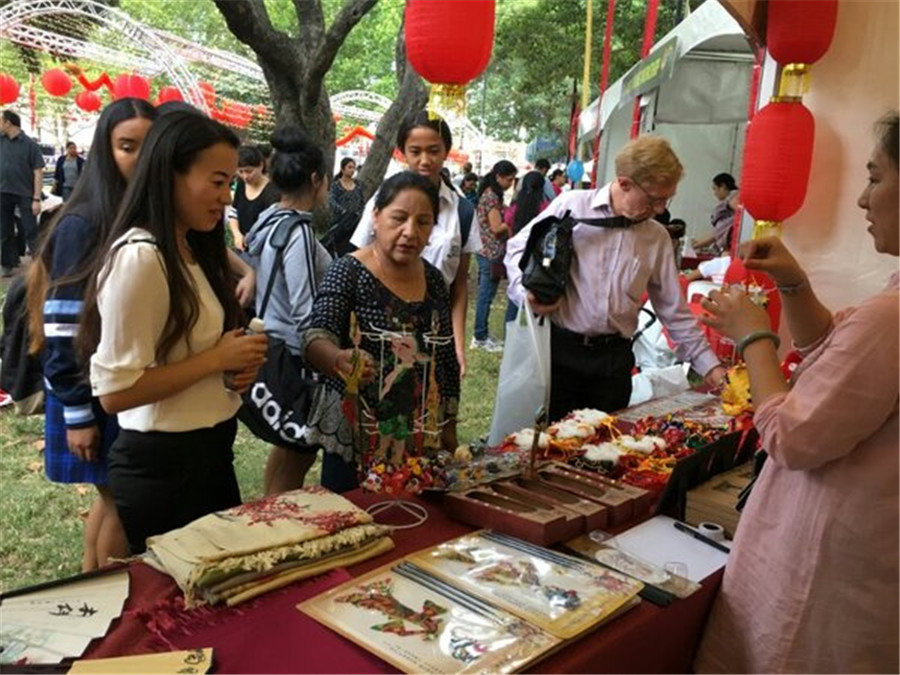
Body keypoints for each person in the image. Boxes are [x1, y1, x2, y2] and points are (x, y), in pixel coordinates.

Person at [695, 111, 899, 674]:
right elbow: (836, 357)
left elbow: (791, 435)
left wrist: (754, 334)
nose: (862, 199)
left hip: (827, 565)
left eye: (876, 178)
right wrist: (793, 285)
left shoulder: (890, 319)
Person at [80, 111, 268, 554]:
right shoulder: (141, 257)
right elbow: (115, 392)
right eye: (217, 182)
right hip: (163, 468)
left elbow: (189, 358)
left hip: (210, 454)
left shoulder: (193, 247)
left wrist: (234, 371)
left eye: (230, 185)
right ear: (169, 174)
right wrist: (215, 360)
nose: (226, 197)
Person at [505, 135, 726, 422]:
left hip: (613, 363)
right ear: (624, 183)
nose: (660, 209)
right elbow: (516, 249)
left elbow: (674, 311)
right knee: (548, 447)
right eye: (654, 199)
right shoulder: (573, 206)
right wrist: (525, 293)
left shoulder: (655, 237)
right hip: (558, 354)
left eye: (666, 199)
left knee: (608, 451)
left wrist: (711, 367)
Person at [25, 98, 157, 571]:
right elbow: (60, 328)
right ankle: (109, 608)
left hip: (114, 387)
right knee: (123, 500)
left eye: (150, 147)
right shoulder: (87, 220)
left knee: (112, 497)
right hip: (87, 388)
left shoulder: (131, 213)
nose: (139, 159)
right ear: (105, 150)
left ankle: (91, 591)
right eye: (127, 146)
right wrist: (78, 414)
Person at [304, 171, 460, 493]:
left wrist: (449, 429)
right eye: (399, 218)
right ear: (375, 217)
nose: (409, 232)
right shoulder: (347, 271)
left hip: (418, 432)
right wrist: (338, 359)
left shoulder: (433, 281)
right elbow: (315, 336)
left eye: (423, 222)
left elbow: (444, 358)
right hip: (356, 434)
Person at [350, 111, 481, 378]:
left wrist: (457, 345)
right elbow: (357, 263)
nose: (425, 160)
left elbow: (458, 286)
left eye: (433, 150)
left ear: (446, 151)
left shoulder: (463, 212)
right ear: (402, 153)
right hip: (381, 325)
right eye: (415, 151)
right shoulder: (382, 201)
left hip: (435, 331)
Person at [244, 126, 332, 495]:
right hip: (295, 356)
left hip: (271, 345)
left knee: (287, 447)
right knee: (299, 452)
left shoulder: (269, 220)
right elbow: (305, 307)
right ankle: (280, 520)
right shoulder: (296, 231)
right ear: (316, 179)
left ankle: (270, 508)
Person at [472, 160, 517, 352]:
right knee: (486, 295)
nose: (510, 183)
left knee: (486, 294)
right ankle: (480, 336)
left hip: (487, 251)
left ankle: (481, 334)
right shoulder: (491, 197)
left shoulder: (490, 194)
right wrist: (513, 219)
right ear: (498, 176)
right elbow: (497, 228)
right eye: (509, 179)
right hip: (490, 252)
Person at [0, 110, 44, 276]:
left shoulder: (30, 145)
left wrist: (36, 199)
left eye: (1, 121)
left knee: (31, 230)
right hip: (3, 192)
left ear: (8, 123)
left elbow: (38, 171)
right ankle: (7, 263)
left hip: (25, 193)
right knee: (4, 230)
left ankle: (39, 264)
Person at [502, 170, 550, 323]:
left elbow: (510, 233)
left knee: (514, 294)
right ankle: (537, 332)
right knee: (538, 295)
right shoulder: (546, 208)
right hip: (538, 260)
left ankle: (510, 333)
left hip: (517, 257)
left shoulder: (513, 209)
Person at [226, 145, 280, 252]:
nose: (245, 176)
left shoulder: (272, 192)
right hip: (241, 246)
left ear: (261, 166)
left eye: (249, 171)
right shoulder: (241, 184)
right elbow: (234, 212)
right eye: (241, 172)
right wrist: (237, 234)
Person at [325, 157, 365, 257]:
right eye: (349, 167)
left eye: (354, 168)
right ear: (342, 169)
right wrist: (343, 212)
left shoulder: (358, 185)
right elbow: (332, 201)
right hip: (340, 223)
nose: (352, 170)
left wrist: (358, 214)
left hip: (355, 223)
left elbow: (361, 202)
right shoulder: (336, 185)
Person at [692, 172, 740, 254]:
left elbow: (719, 231)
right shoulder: (729, 202)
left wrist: (697, 244)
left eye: (715, 189)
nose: (714, 193)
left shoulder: (734, 199)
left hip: (731, 246)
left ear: (723, 186)